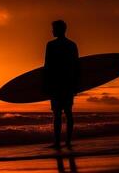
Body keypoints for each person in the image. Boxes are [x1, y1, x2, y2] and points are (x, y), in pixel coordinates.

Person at [43, 20, 80, 149]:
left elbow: (47, 66)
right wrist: (76, 85)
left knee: (57, 114)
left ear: (59, 30)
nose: (52, 31)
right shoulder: (72, 45)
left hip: (56, 83)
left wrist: (46, 85)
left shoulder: (51, 45)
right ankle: (68, 142)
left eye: (53, 29)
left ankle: (57, 143)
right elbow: (77, 66)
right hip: (68, 83)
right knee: (68, 112)